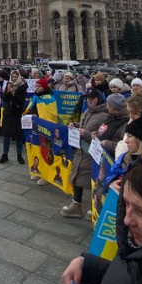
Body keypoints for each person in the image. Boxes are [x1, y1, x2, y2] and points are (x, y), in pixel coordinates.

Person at [62, 89, 108, 219]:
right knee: (77, 177)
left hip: (91, 152)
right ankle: (76, 204)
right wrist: (75, 125)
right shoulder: (88, 111)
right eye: (88, 98)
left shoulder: (104, 115)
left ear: (99, 99)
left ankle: (94, 208)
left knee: (93, 180)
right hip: (81, 150)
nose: (90, 100)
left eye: (93, 98)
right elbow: (85, 125)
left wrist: (86, 134)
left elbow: (101, 134)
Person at [0, 69, 28, 164]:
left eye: (16, 77)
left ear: (19, 77)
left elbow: (21, 100)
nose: (14, 78)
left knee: (19, 135)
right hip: (8, 112)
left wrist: (14, 93)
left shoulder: (23, 85)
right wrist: (7, 93)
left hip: (17, 112)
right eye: (13, 77)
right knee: (6, 134)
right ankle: (4, 154)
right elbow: (5, 99)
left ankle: (19, 155)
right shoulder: (9, 84)